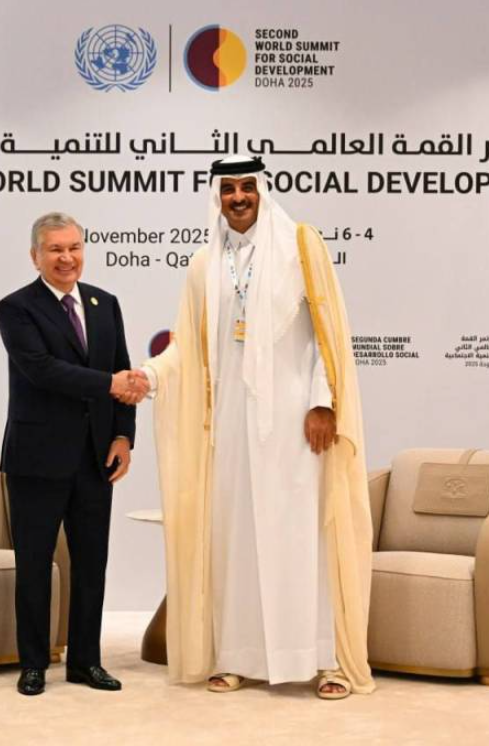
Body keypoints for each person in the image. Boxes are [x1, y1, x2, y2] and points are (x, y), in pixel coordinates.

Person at [142, 156, 376, 699]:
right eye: (229, 189)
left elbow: (326, 335)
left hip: (295, 422)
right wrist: (149, 376)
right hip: (230, 424)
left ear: (262, 191)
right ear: (217, 197)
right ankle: (239, 658)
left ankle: (323, 660)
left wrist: (323, 402)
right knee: (238, 539)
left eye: (248, 186)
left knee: (301, 535)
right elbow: (187, 346)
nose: (239, 197)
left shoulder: (301, 248)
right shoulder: (205, 264)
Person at [0, 211, 148, 696]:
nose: (67, 258)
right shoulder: (15, 308)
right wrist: (110, 384)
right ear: (35, 256)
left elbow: (122, 369)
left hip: (95, 459)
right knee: (34, 565)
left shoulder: (106, 303)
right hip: (37, 459)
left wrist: (123, 436)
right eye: (55, 249)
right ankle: (33, 664)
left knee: (91, 565)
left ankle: (86, 662)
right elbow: (42, 370)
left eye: (74, 247)